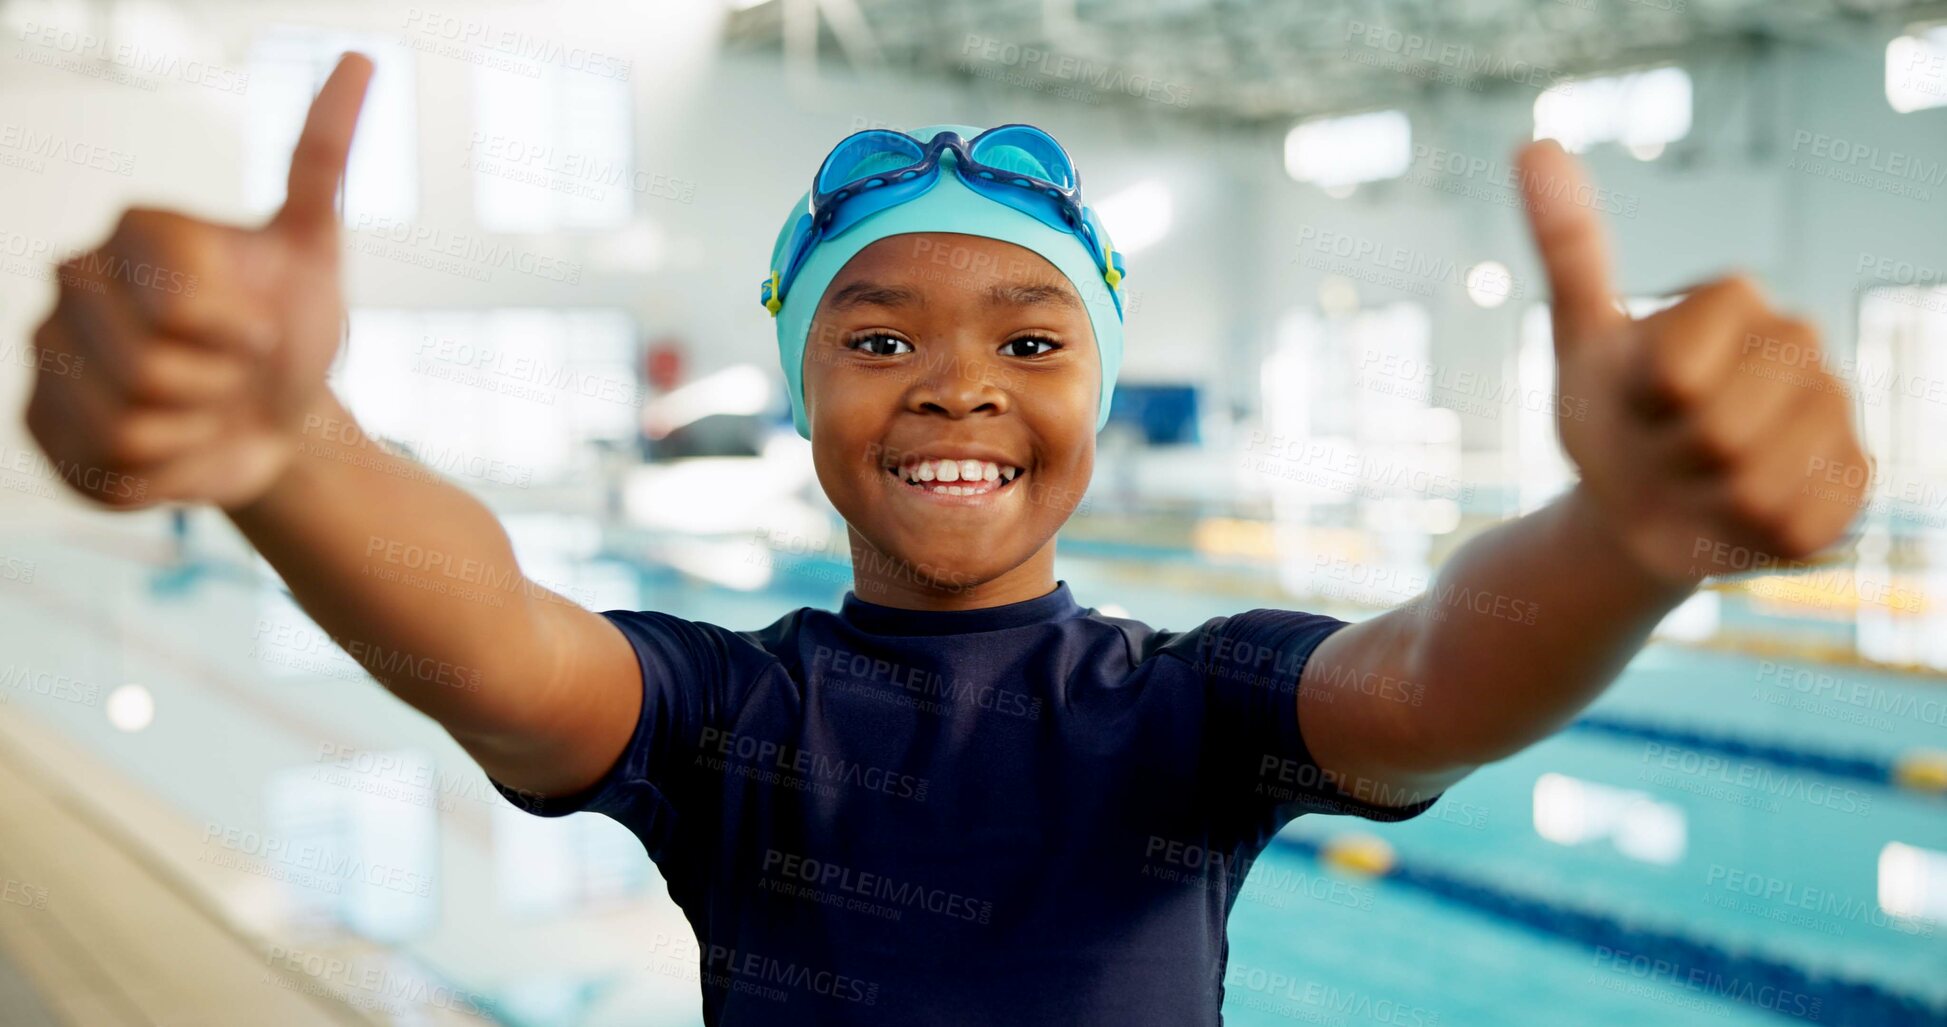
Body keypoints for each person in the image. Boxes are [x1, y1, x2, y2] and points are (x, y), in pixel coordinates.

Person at [22, 54, 1871, 1026]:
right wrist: (291, 451)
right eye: (879, 336)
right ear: (807, 384)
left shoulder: (1191, 713)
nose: (957, 386)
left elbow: (1433, 676)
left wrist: (1622, 544)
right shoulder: (730, 718)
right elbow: (500, 642)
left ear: (1094, 388)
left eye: (1032, 339)